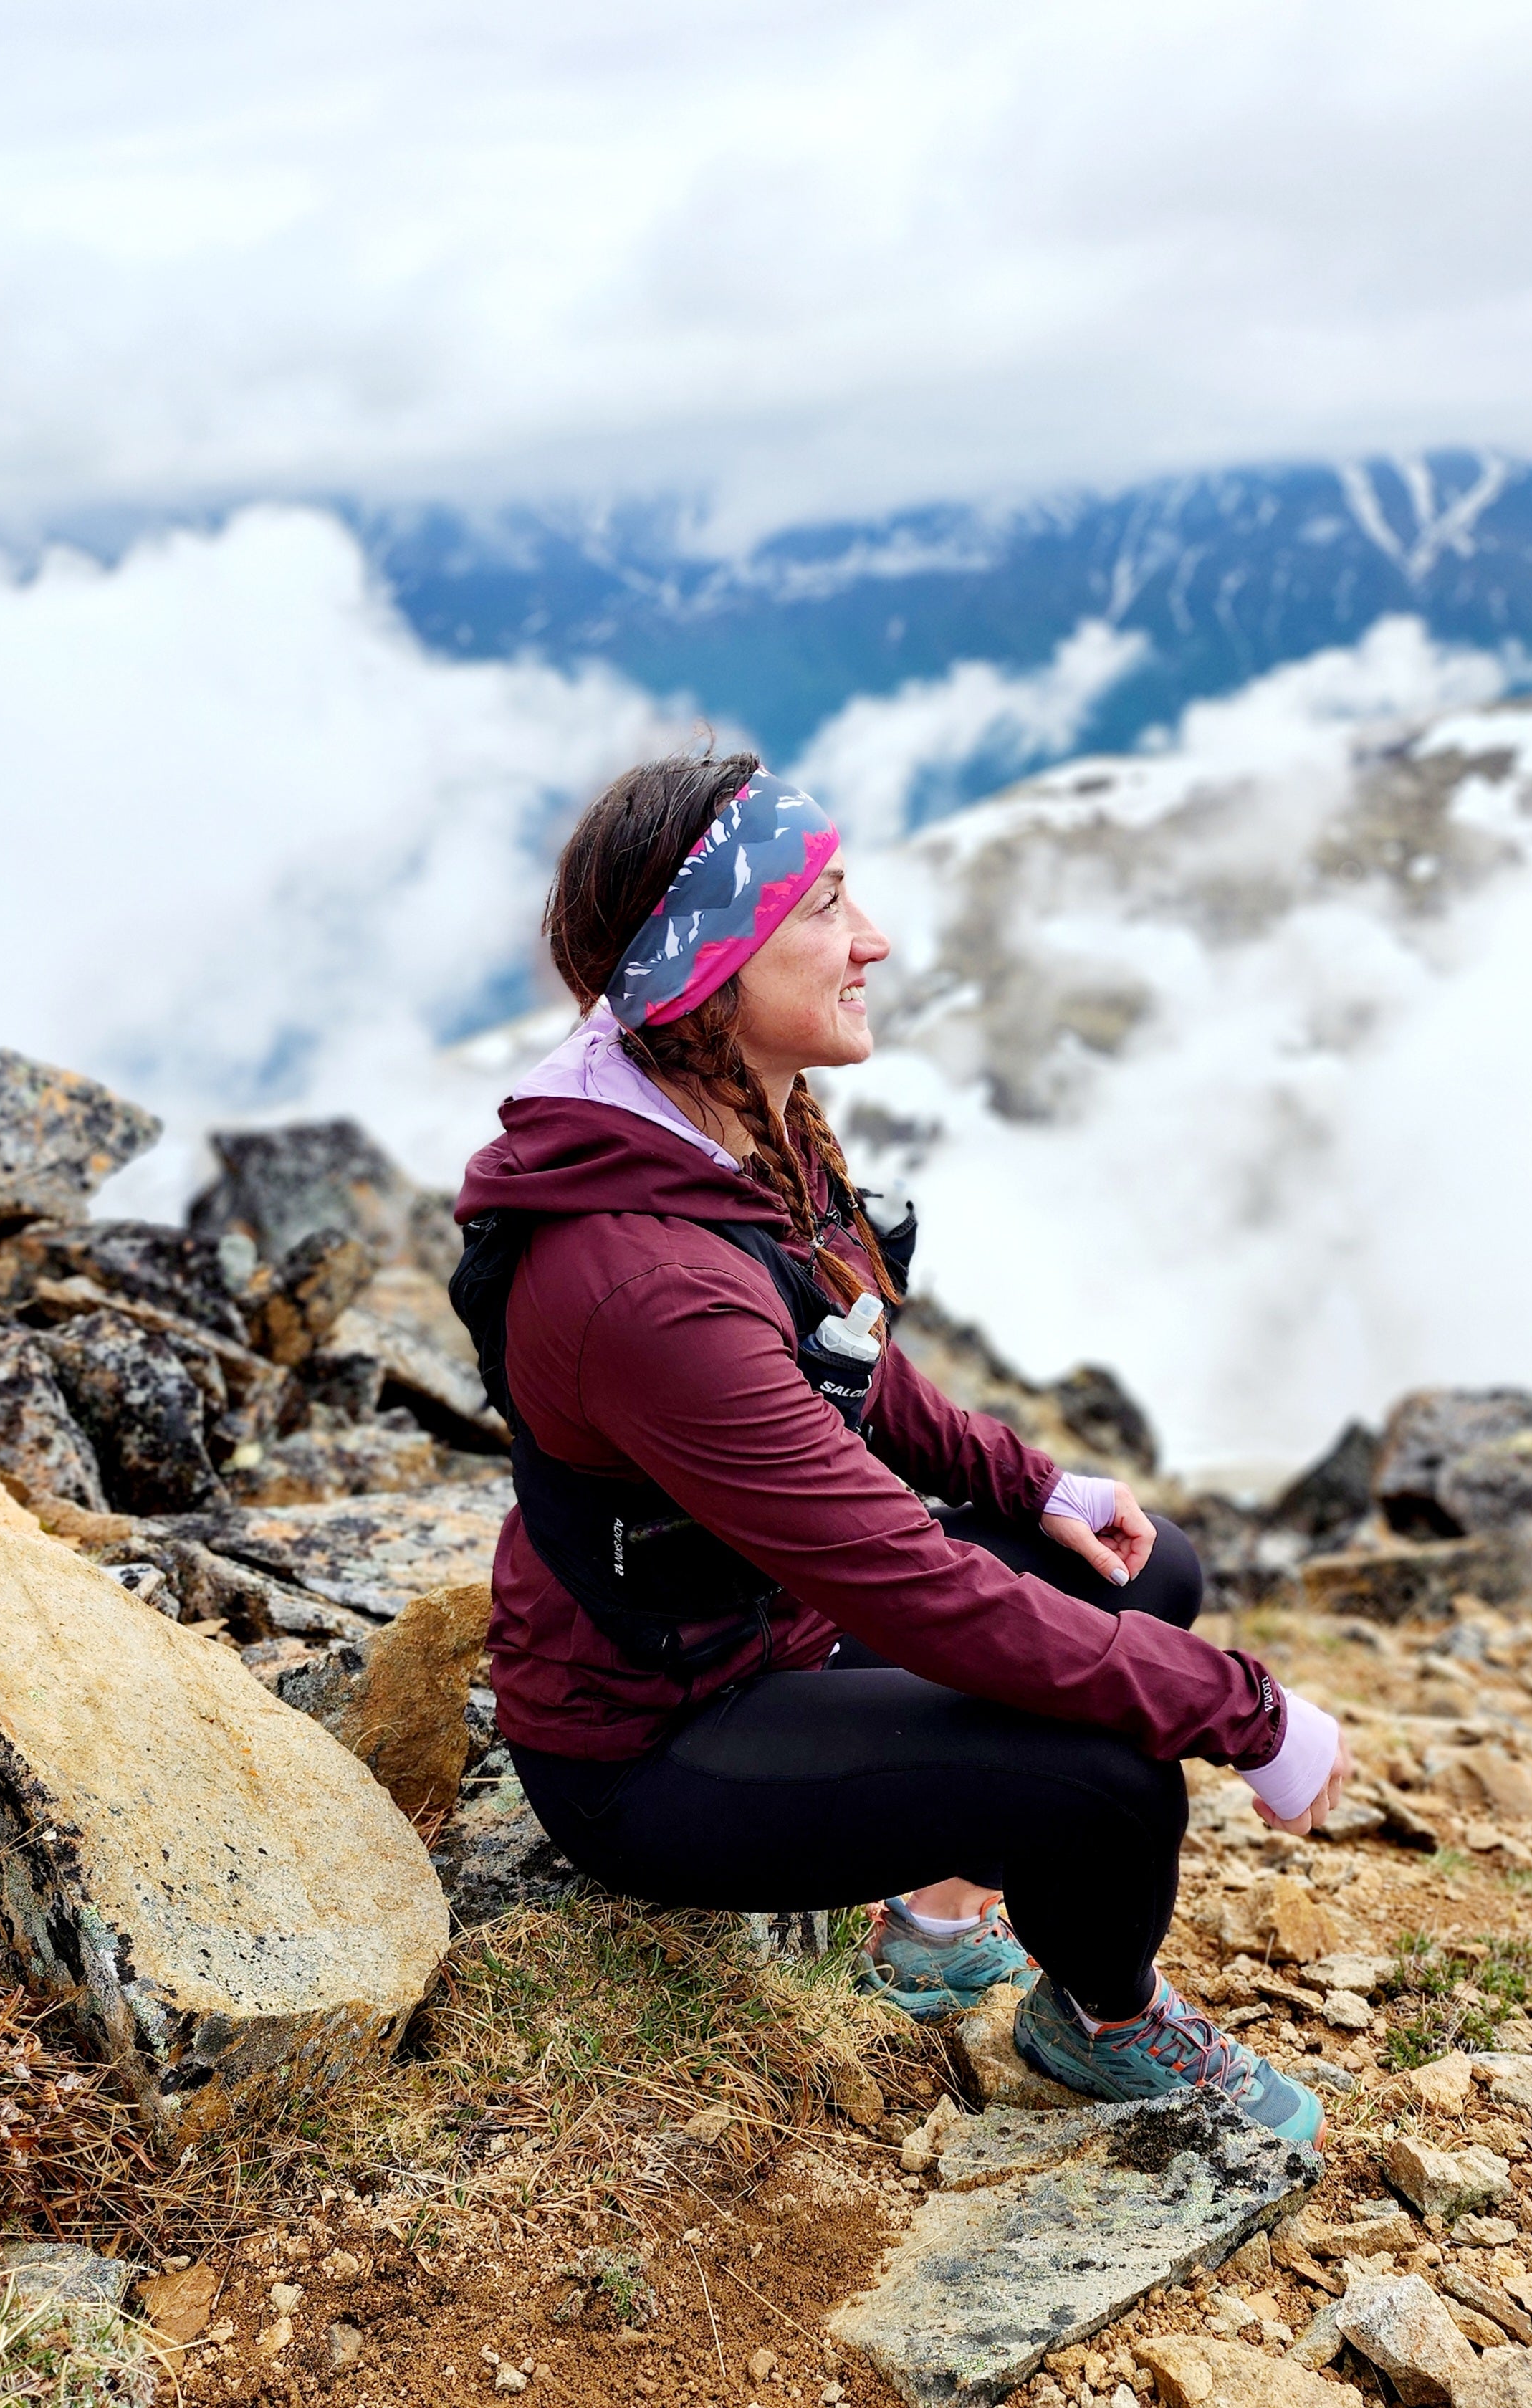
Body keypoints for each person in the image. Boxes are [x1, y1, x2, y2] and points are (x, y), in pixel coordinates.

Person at [454, 750, 1351, 2144]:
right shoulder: (640, 1282)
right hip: (657, 1740)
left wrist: (1038, 1484)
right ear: (714, 965)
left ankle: (931, 1940)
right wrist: (1245, 1713)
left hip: (765, 1632)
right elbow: (913, 1590)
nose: (869, 939)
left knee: (1139, 1574)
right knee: (1107, 1771)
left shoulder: (713, 1122)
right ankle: (1099, 2023)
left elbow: (847, 1354)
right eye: (819, 908)